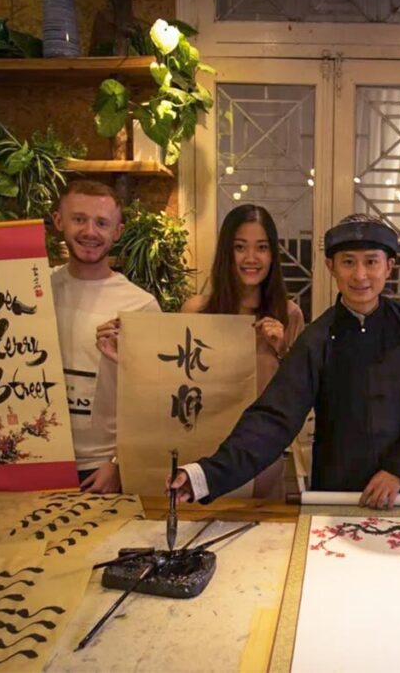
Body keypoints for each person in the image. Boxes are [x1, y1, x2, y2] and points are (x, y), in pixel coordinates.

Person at [168, 214, 400, 509]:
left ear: (389, 266)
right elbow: (274, 417)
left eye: (371, 262)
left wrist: (399, 471)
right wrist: (205, 475)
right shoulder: (317, 339)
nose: (360, 275)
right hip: (337, 495)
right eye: (348, 262)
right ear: (331, 267)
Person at [0, 180, 160, 493]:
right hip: (30, 457)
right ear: (59, 221)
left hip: (100, 469)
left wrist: (120, 463)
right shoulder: (30, 289)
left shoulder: (141, 304)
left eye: (102, 223)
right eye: (79, 219)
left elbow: (153, 400)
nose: (90, 231)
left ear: (117, 231)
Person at [96, 204, 304, 498]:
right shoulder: (197, 310)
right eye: (240, 247)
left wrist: (282, 349)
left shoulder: (288, 314)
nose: (251, 258)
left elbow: (294, 397)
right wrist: (127, 358)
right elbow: (170, 382)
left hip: (259, 460)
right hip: (205, 454)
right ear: (226, 253)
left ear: (273, 255)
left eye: (262, 248)